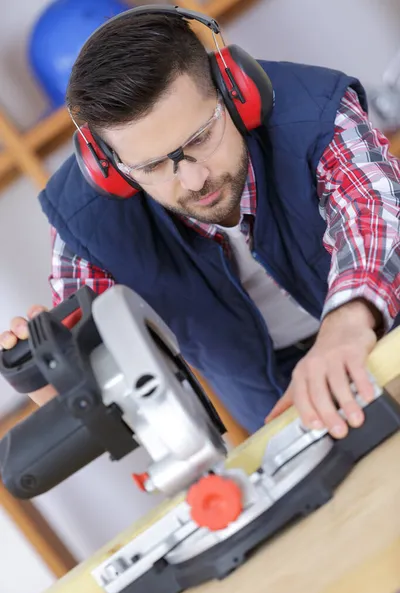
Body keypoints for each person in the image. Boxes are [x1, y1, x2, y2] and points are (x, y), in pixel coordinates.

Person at [1, 8, 400, 439]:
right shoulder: (84, 220)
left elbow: (376, 211)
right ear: (109, 168)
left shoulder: (316, 108)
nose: (193, 180)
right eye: (153, 165)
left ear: (235, 93)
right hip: (271, 404)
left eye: (199, 139)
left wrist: (346, 323)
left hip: (378, 328)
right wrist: (56, 376)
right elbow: (102, 366)